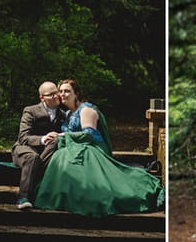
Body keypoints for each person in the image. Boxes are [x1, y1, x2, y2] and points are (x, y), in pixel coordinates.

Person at [34, 79, 165, 217]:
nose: (62, 94)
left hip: (91, 148)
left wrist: (63, 135)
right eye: (60, 91)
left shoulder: (86, 110)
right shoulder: (67, 114)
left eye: (67, 91)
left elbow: (89, 134)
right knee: (62, 160)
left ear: (76, 93)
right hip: (74, 147)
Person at [11, 81, 66, 210]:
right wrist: (43, 138)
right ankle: (23, 198)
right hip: (25, 149)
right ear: (42, 98)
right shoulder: (31, 111)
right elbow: (23, 137)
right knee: (33, 158)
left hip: (47, 152)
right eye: (51, 94)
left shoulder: (63, 115)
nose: (56, 95)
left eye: (56, 92)